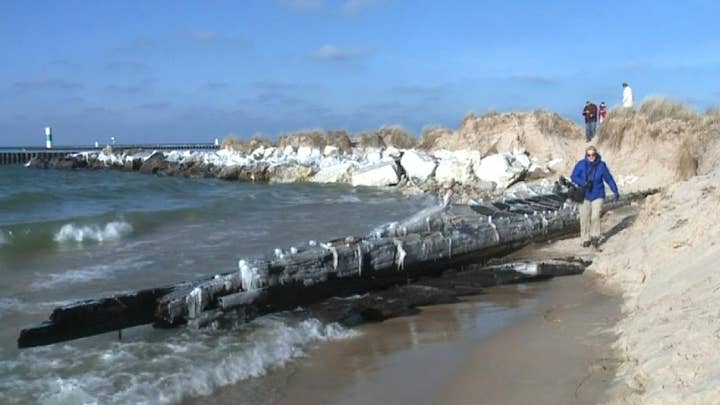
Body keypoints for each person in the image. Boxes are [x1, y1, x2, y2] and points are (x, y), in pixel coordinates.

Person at [570, 145, 620, 248]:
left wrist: (615, 190)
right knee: (584, 218)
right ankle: (585, 239)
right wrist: (583, 182)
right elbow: (573, 176)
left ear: (596, 154)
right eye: (589, 155)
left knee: (595, 216)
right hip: (584, 195)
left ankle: (595, 237)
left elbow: (609, 179)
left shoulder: (601, 166)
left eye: (593, 155)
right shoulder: (581, 165)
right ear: (586, 155)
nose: (591, 157)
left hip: (598, 194)